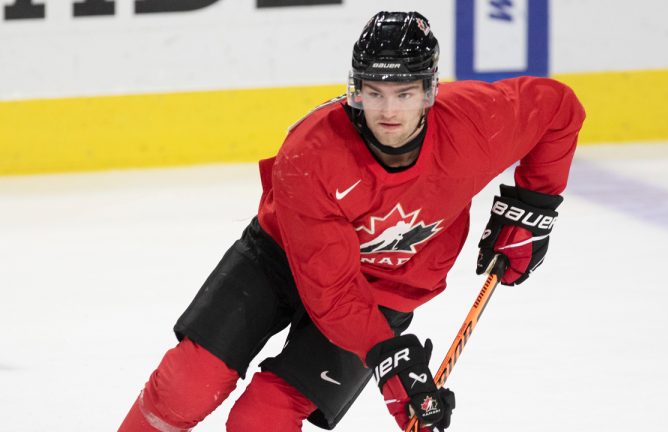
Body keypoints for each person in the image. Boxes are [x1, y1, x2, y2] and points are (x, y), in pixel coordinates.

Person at [118, 10, 585, 432]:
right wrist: (387, 355)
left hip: (388, 288)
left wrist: (533, 204)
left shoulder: (476, 126)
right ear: (355, 88)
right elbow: (332, 290)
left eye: (404, 93)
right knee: (188, 384)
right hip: (281, 259)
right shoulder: (311, 154)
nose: (388, 111)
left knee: (262, 418)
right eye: (374, 92)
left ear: (429, 91)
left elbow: (558, 109)